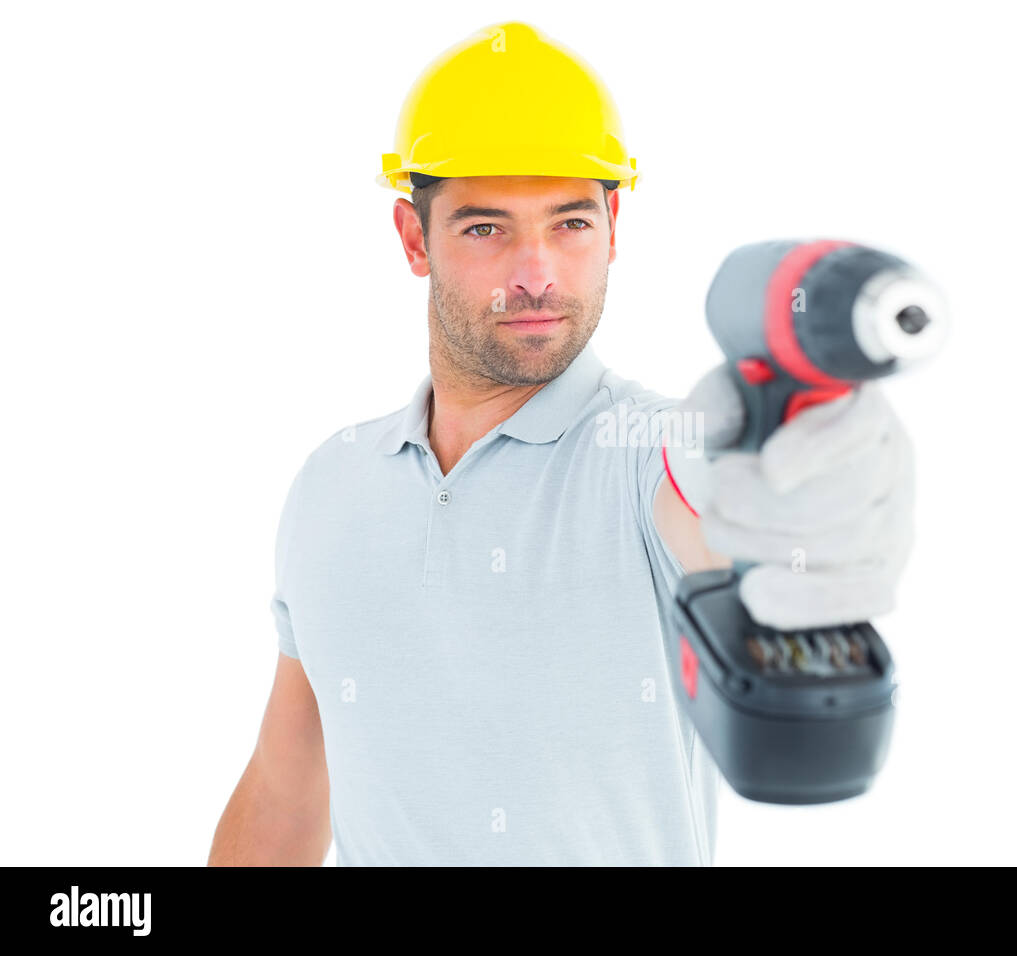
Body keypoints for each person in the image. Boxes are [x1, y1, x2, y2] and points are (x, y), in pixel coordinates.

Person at [207, 20, 916, 866]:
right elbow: (287, 790)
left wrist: (804, 502)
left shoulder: (650, 450)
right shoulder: (331, 486)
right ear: (411, 237)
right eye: (485, 228)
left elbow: (721, 501)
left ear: (614, 226)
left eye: (570, 223)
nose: (536, 272)